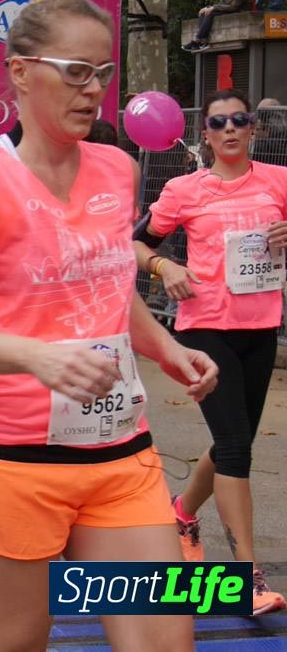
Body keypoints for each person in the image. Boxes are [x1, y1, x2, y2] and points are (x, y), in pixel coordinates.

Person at [0, 0, 219, 650]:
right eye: (75, 72)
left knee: (166, 641)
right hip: (6, 463)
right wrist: (38, 356)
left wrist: (165, 346)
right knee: (18, 643)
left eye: (104, 74)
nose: (95, 91)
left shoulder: (118, 166)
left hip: (120, 457)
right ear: (22, 72)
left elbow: (109, 283)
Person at [134, 88, 287, 616]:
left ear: (252, 129)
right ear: (205, 132)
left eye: (238, 120)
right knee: (237, 447)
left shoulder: (278, 181)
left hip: (261, 328)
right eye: (218, 121)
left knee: (231, 442)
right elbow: (137, 244)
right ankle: (246, 576)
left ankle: (182, 511)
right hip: (205, 331)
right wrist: (165, 267)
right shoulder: (184, 190)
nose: (228, 129)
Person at [184, 0, 252, 52]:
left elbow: (234, 7)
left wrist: (213, 8)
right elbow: (222, 3)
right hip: (230, 11)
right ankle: (201, 42)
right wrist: (208, 8)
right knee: (205, 12)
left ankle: (199, 40)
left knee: (211, 13)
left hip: (239, 13)